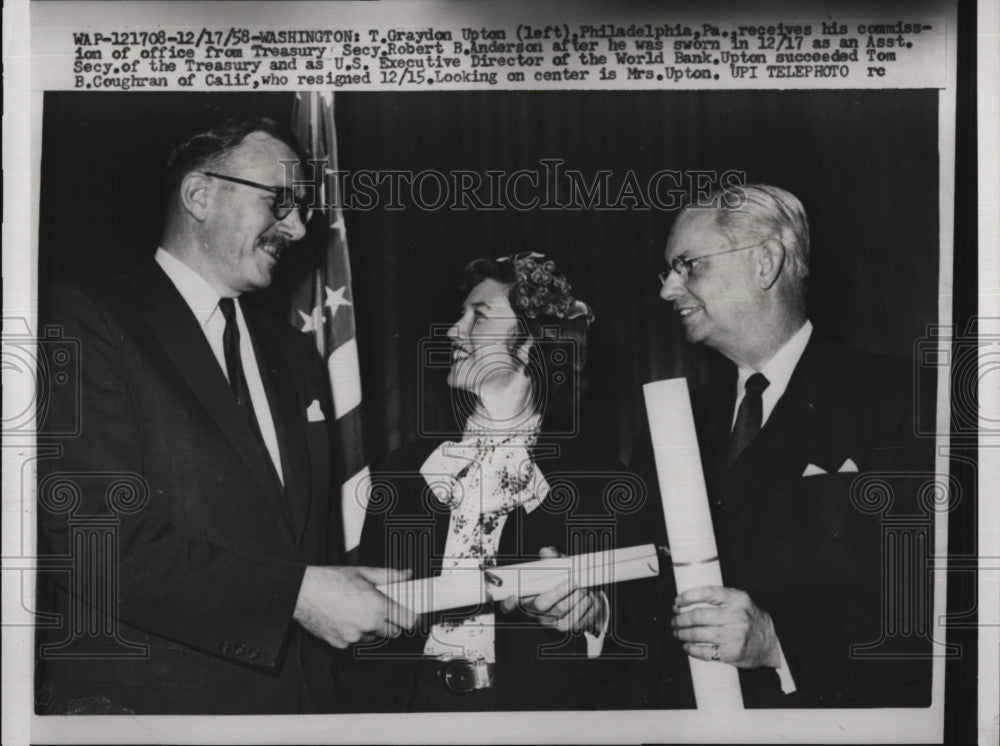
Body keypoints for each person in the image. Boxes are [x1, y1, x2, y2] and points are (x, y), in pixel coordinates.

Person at [34, 117, 415, 715]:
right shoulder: (88, 321)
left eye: (304, 208)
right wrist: (298, 595)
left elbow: (295, 543)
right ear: (199, 195)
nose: (297, 225)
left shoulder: (294, 354)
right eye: (281, 201)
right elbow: (91, 540)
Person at [634, 184, 933, 707]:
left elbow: (940, 614)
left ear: (765, 262)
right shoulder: (673, 423)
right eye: (668, 271)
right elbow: (650, 603)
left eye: (689, 266)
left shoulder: (903, 401)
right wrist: (594, 611)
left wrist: (778, 642)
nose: (667, 291)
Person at [347, 253, 650, 711]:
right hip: (410, 716)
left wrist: (595, 614)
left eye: (479, 316)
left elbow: (640, 625)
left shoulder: (603, 480)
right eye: (460, 315)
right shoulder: (404, 471)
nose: (454, 330)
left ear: (532, 345)